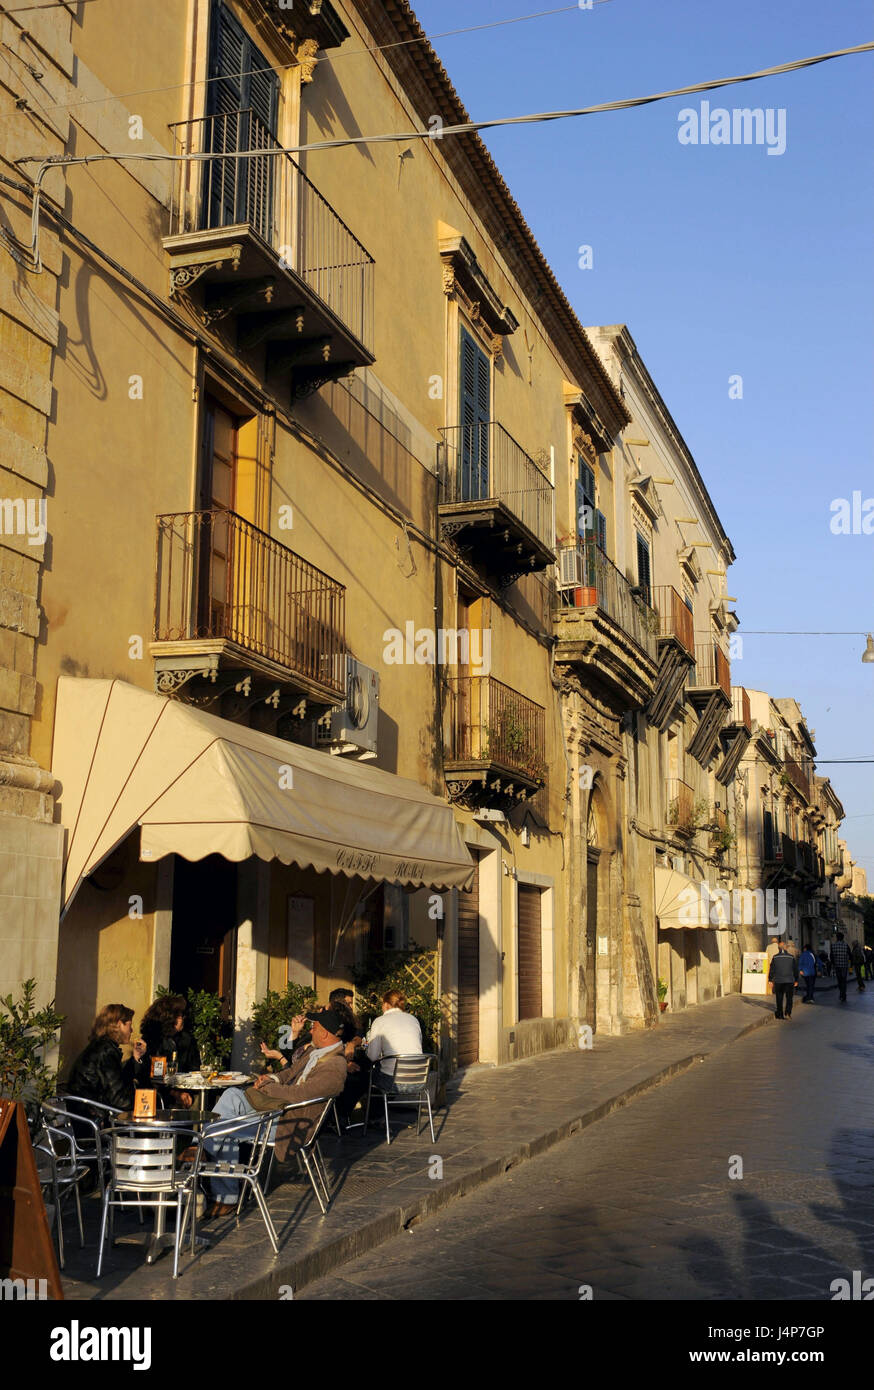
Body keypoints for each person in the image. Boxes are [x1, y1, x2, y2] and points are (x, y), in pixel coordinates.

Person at [202, 1009, 347, 1219]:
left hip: (288, 1123)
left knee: (224, 1129)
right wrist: (272, 1075)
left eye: (313, 1027)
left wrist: (271, 1082)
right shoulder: (314, 1048)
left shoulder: (334, 1065)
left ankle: (219, 1183)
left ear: (324, 1033)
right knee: (231, 1095)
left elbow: (297, 1086)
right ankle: (203, 1149)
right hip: (276, 1105)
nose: (309, 1029)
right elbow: (289, 1069)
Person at [66, 1004, 147, 1110]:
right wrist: (145, 1106)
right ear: (119, 1025)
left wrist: (136, 1057)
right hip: (93, 1118)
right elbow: (118, 1099)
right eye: (129, 1025)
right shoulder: (105, 1051)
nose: (131, 1030)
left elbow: (118, 1081)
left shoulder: (102, 1046)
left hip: (88, 1112)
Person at [364, 989, 424, 1092]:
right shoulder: (413, 1019)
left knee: (365, 1075)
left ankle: (374, 1107)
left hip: (393, 1082)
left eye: (382, 1004)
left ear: (386, 1004)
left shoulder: (380, 1021)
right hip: (419, 1081)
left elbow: (372, 1056)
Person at [768, 943, 798, 1020]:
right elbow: (795, 969)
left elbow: (772, 969)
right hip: (789, 980)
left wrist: (770, 979)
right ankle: (788, 1012)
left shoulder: (775, 957)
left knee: (779, 997)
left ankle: (780, 1014)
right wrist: (796, 980)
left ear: (778, 948)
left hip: (778, 980)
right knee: (789, 998)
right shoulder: (791, 957)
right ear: (786, 948)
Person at [831, 932, 850, 1003]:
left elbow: (831, 956)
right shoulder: (846, 945)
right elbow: (850, 954)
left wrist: (833, 963)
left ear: (837, 938)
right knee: (844, 981)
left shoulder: (833, 945)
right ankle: (843, 994)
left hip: (837, 966)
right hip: (844, 966)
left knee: (839, 981)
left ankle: (841, 994)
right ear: (843, 938)